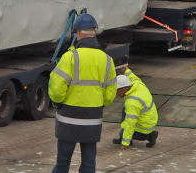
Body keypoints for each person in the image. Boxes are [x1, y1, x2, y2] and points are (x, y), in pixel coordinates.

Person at [48, 13, 117, 173]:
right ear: (94, 32)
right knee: (88, 163)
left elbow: (57, 88)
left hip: (68, 118)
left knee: (63, 163)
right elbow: (110, 93)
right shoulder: (107, 60)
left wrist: (58, 102)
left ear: (77, 33)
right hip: (92, 118)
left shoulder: (70, 57)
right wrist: (99, 103)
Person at [112, 74, 159, 148]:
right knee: (125, 108)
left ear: (123, 89)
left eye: (117, 91)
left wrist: (125, 142)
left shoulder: (132, 102)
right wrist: (126, 70)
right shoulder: (138, 84)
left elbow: (130, 122)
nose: (116, 93)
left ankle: (150, 136)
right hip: (150, 118)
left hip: (144, 127)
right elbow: (133, 77)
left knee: (123, 132)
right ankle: (126, 136)